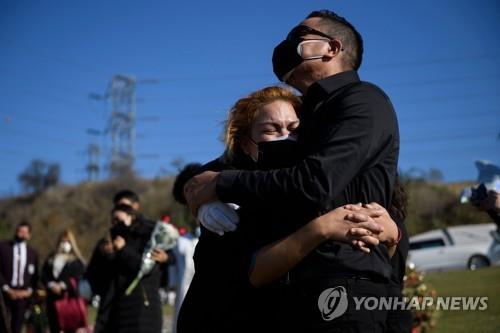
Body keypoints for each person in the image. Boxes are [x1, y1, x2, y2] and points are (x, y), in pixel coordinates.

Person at [185, 10, 409, 332]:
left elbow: (315, 182)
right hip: (292, 297)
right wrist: (204, 194)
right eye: (271, 129)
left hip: (345, 288)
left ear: (331, 47)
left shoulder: (361, 100)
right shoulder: (315, 117)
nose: (286, 44)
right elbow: (216, 175)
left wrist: (395, 233)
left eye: (298, 36)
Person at [90, 204, 170, 333]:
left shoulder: (149, 236)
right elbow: (97, 275)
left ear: (131, 215)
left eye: (118, 218)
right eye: (113, 220)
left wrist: (123, 249)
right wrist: (107, 255)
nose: (115, 223)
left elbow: (145, 267)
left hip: (143, 308)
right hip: (116, 310)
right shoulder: (108, 241)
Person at [41, 230, 86, 333]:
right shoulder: (51, 258)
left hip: (69, 300)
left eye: (67, 241)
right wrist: (51, 284)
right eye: (63, 241)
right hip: (52, 299)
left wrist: (63, 285)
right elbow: (44, 274)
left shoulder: (76, 261)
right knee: (54, 326)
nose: (65, 244)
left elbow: (78, 277)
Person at [0, 222, 38, 333]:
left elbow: (35, 277)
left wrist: (28, 291)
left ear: (29, 235)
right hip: (5, 294)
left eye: (24, 232)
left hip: (23, 297)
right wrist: (6, 289)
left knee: (17, 327)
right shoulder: (3, 248)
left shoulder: (32, 253)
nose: (21, 234)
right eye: (19, 231)